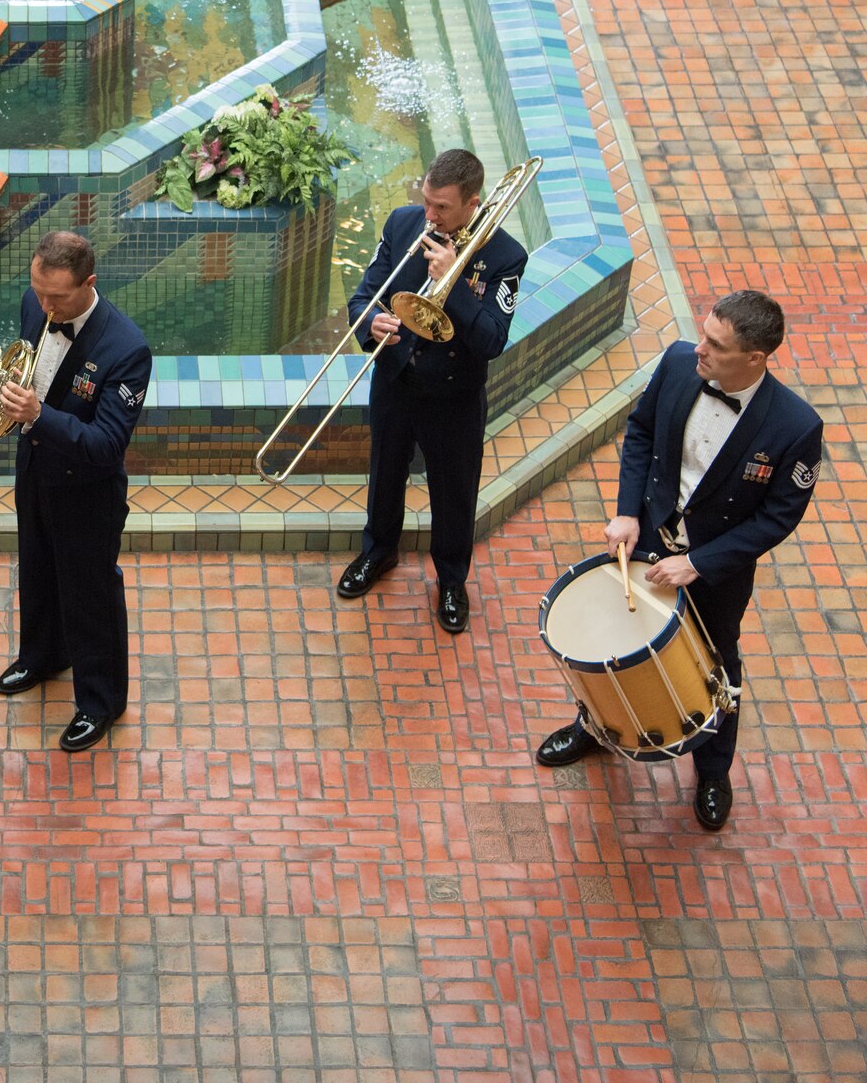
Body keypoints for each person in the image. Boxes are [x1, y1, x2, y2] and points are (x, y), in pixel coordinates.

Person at [535, 290, 822, 830]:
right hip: (647, 543)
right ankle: (595, 728)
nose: (699, 350)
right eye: (703, 334)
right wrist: (626, 512)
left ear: (755, 358)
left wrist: (700, 564)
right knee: (616, 646)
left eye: (715, 345)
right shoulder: (675, 361)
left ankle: (713, 770)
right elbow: (641, 432)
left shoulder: (796, 427)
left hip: (715, 572)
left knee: (718, 662)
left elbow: (778, 518)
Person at [334, 149, 526, 634]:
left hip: (455, 395)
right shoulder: (403, 225)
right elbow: (364, 294)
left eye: (441, 207)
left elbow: (492, 341)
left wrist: (454, 280)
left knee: (454, 491)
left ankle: (452, 581)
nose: (430, 216)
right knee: (385, 473)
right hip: (396, 381)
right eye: (426, 201)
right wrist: (369, 324)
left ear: (472, 204)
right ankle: (377, 553)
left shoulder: (505, 256)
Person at [0, 231, 152, 752]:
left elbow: (106, 444)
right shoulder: (34, 304)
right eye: (37, 292)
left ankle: (101, 701)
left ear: (89, 284)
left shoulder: (126, 349)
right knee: (36, 570)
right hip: (34, 470)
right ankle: (42, 656)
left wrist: (38, 416)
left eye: (56, 297)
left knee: (91, 596)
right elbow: (26, 367)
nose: (44, 306)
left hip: (88, 492)